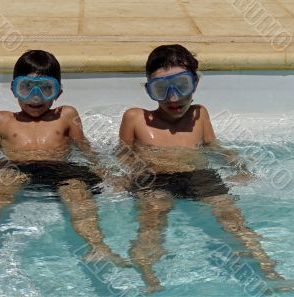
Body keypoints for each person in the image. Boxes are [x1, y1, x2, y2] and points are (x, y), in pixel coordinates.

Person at [118, 44, 282, 292]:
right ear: (149, 89)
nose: (173, 98)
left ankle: (269, 271)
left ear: (195, 83)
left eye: (181, 86)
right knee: (152, 218)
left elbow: (213, 147)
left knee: (232, 218)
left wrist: (238, 163)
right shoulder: (135, 117)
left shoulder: (200, 114)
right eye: (161, 89)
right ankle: (149, 279)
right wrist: (125, 175)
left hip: (198, 175)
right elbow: (121, 153)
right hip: (153, 178)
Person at [0, 50, 127, 266]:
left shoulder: (66, 115)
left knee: (77, 195)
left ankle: (98, 247)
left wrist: (105, 171)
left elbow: (85, 149)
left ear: (58, 92)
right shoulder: (1, 120)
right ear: (14, 89)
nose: (36, 97)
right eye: (26, 88)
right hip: (16, 168)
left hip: (61, 169)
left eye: (46, 89)